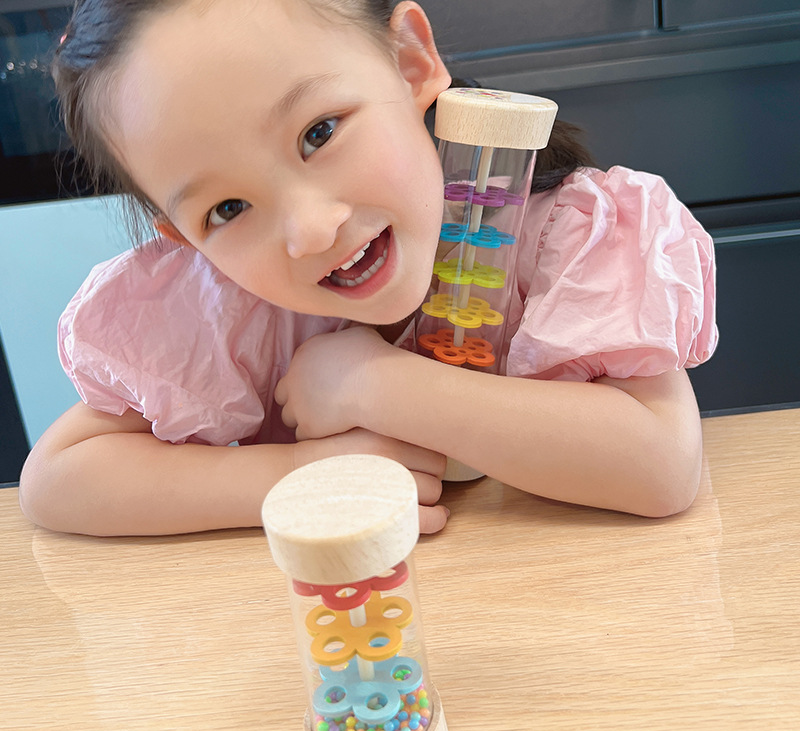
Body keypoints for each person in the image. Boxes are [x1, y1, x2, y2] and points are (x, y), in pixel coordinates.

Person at [19, 0, 717, 536]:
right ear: (185, 241)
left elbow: (662, 465)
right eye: (227, 209)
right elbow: (56, 480)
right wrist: (295, 474)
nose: (310, 230)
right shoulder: (231, 308)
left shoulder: (561, 236)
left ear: (410, 62)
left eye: (318, 133)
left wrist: (372, 385)